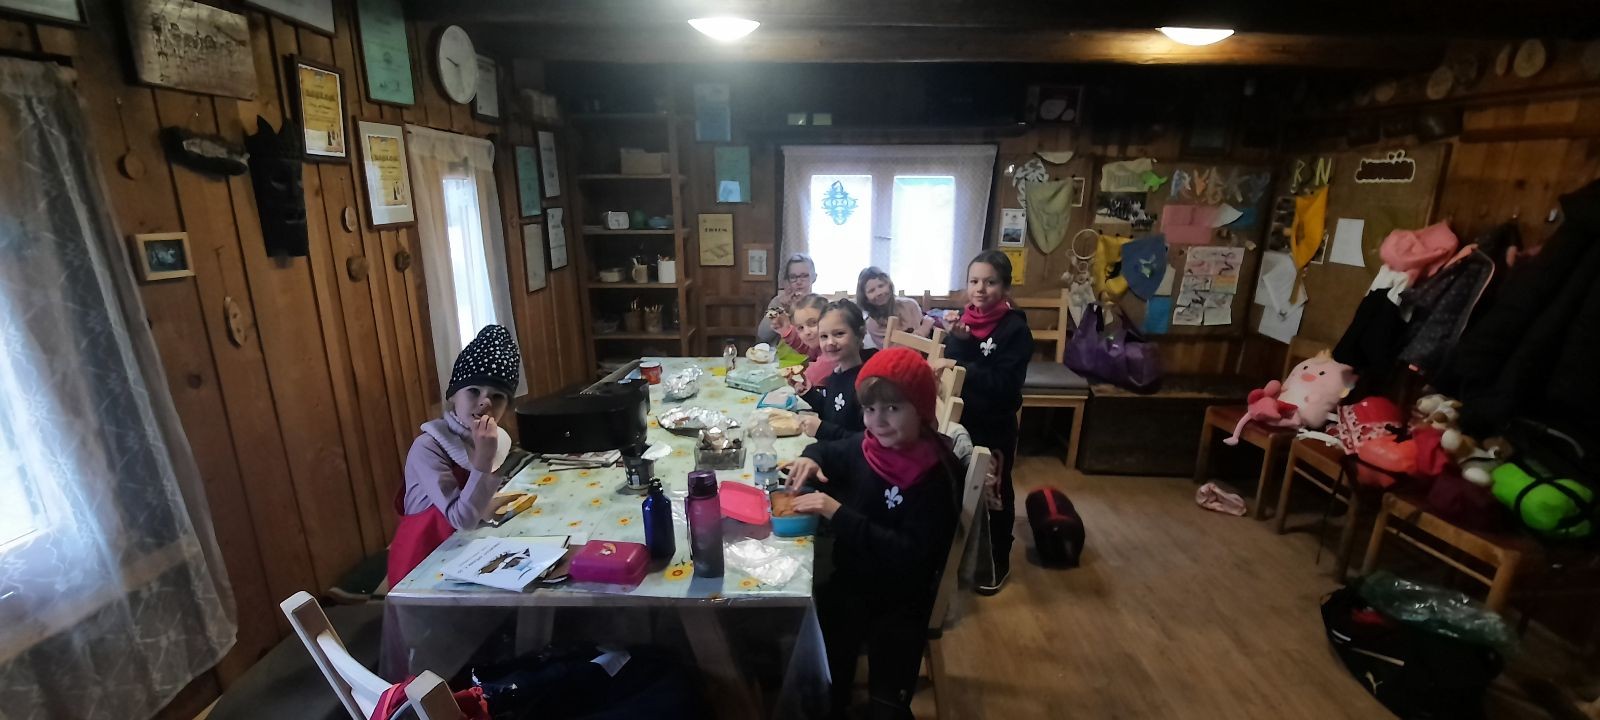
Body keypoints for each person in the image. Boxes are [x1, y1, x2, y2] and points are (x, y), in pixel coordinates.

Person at [784, 348, 960, 719]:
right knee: (817, 625)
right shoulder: (869, 446)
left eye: (892, 408)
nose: (877, 421)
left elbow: (911, 556)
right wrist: (811, 457)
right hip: (856, 575)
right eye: (869, 409)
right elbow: (830, 449)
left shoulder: (936, 474)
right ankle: (829, 697)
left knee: (883, 700)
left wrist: (837, 513)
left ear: (921, 408)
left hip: (900, 596)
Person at [387, 325, 520, 587]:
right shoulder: (428, 447)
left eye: (497, 397)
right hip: (422, 563)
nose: (485, 403)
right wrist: (483, 460)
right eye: (473, 391)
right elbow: (461, 518)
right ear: (452, 396)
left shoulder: (488, 439)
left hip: (464, 552)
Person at [934, 250, 1032, 595]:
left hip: (994, 425)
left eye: (990, 282)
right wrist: (958, 341)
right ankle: (962, 556)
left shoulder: (1015, 330)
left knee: (994, 491)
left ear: (1005, 287)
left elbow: (1004, 383)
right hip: (962, 422)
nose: (980, 289)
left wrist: (962, 363)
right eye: (974, 281)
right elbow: (952, 363)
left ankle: (997, 559)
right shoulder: (964, 321)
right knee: (959, 485)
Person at [798, 299, 877, 440]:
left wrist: (822, 430)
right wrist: (809, 393)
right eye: (824, 336)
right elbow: (832, 411)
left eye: (839, 334)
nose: (830, 342)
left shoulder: (866, 384)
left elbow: (867, 442)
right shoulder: (837, 374)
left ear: (860, 334)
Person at [856, 267, 933, 349]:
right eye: (871, 291)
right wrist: (924, 329)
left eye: (881, 286)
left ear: (889, 285)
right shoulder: (873, 324)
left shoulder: (910, 305)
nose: (879, 293)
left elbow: (927, 342)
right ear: (865, 298)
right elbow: (897, 351)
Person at [771, 293, 837, 387]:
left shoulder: (831, 354)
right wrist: (786, 330)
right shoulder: (819, 346)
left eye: (813, 323)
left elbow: (811, 378)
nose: (806, 332)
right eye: (800, 328)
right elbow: (807, 349)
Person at [757, 253, 817, 343]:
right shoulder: (778, 302)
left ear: (814, 277)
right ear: (788, 280)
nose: (798, 282)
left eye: (804, 276)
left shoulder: (820, 303)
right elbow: (762, 335)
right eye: (793, 277)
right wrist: (780, 309)